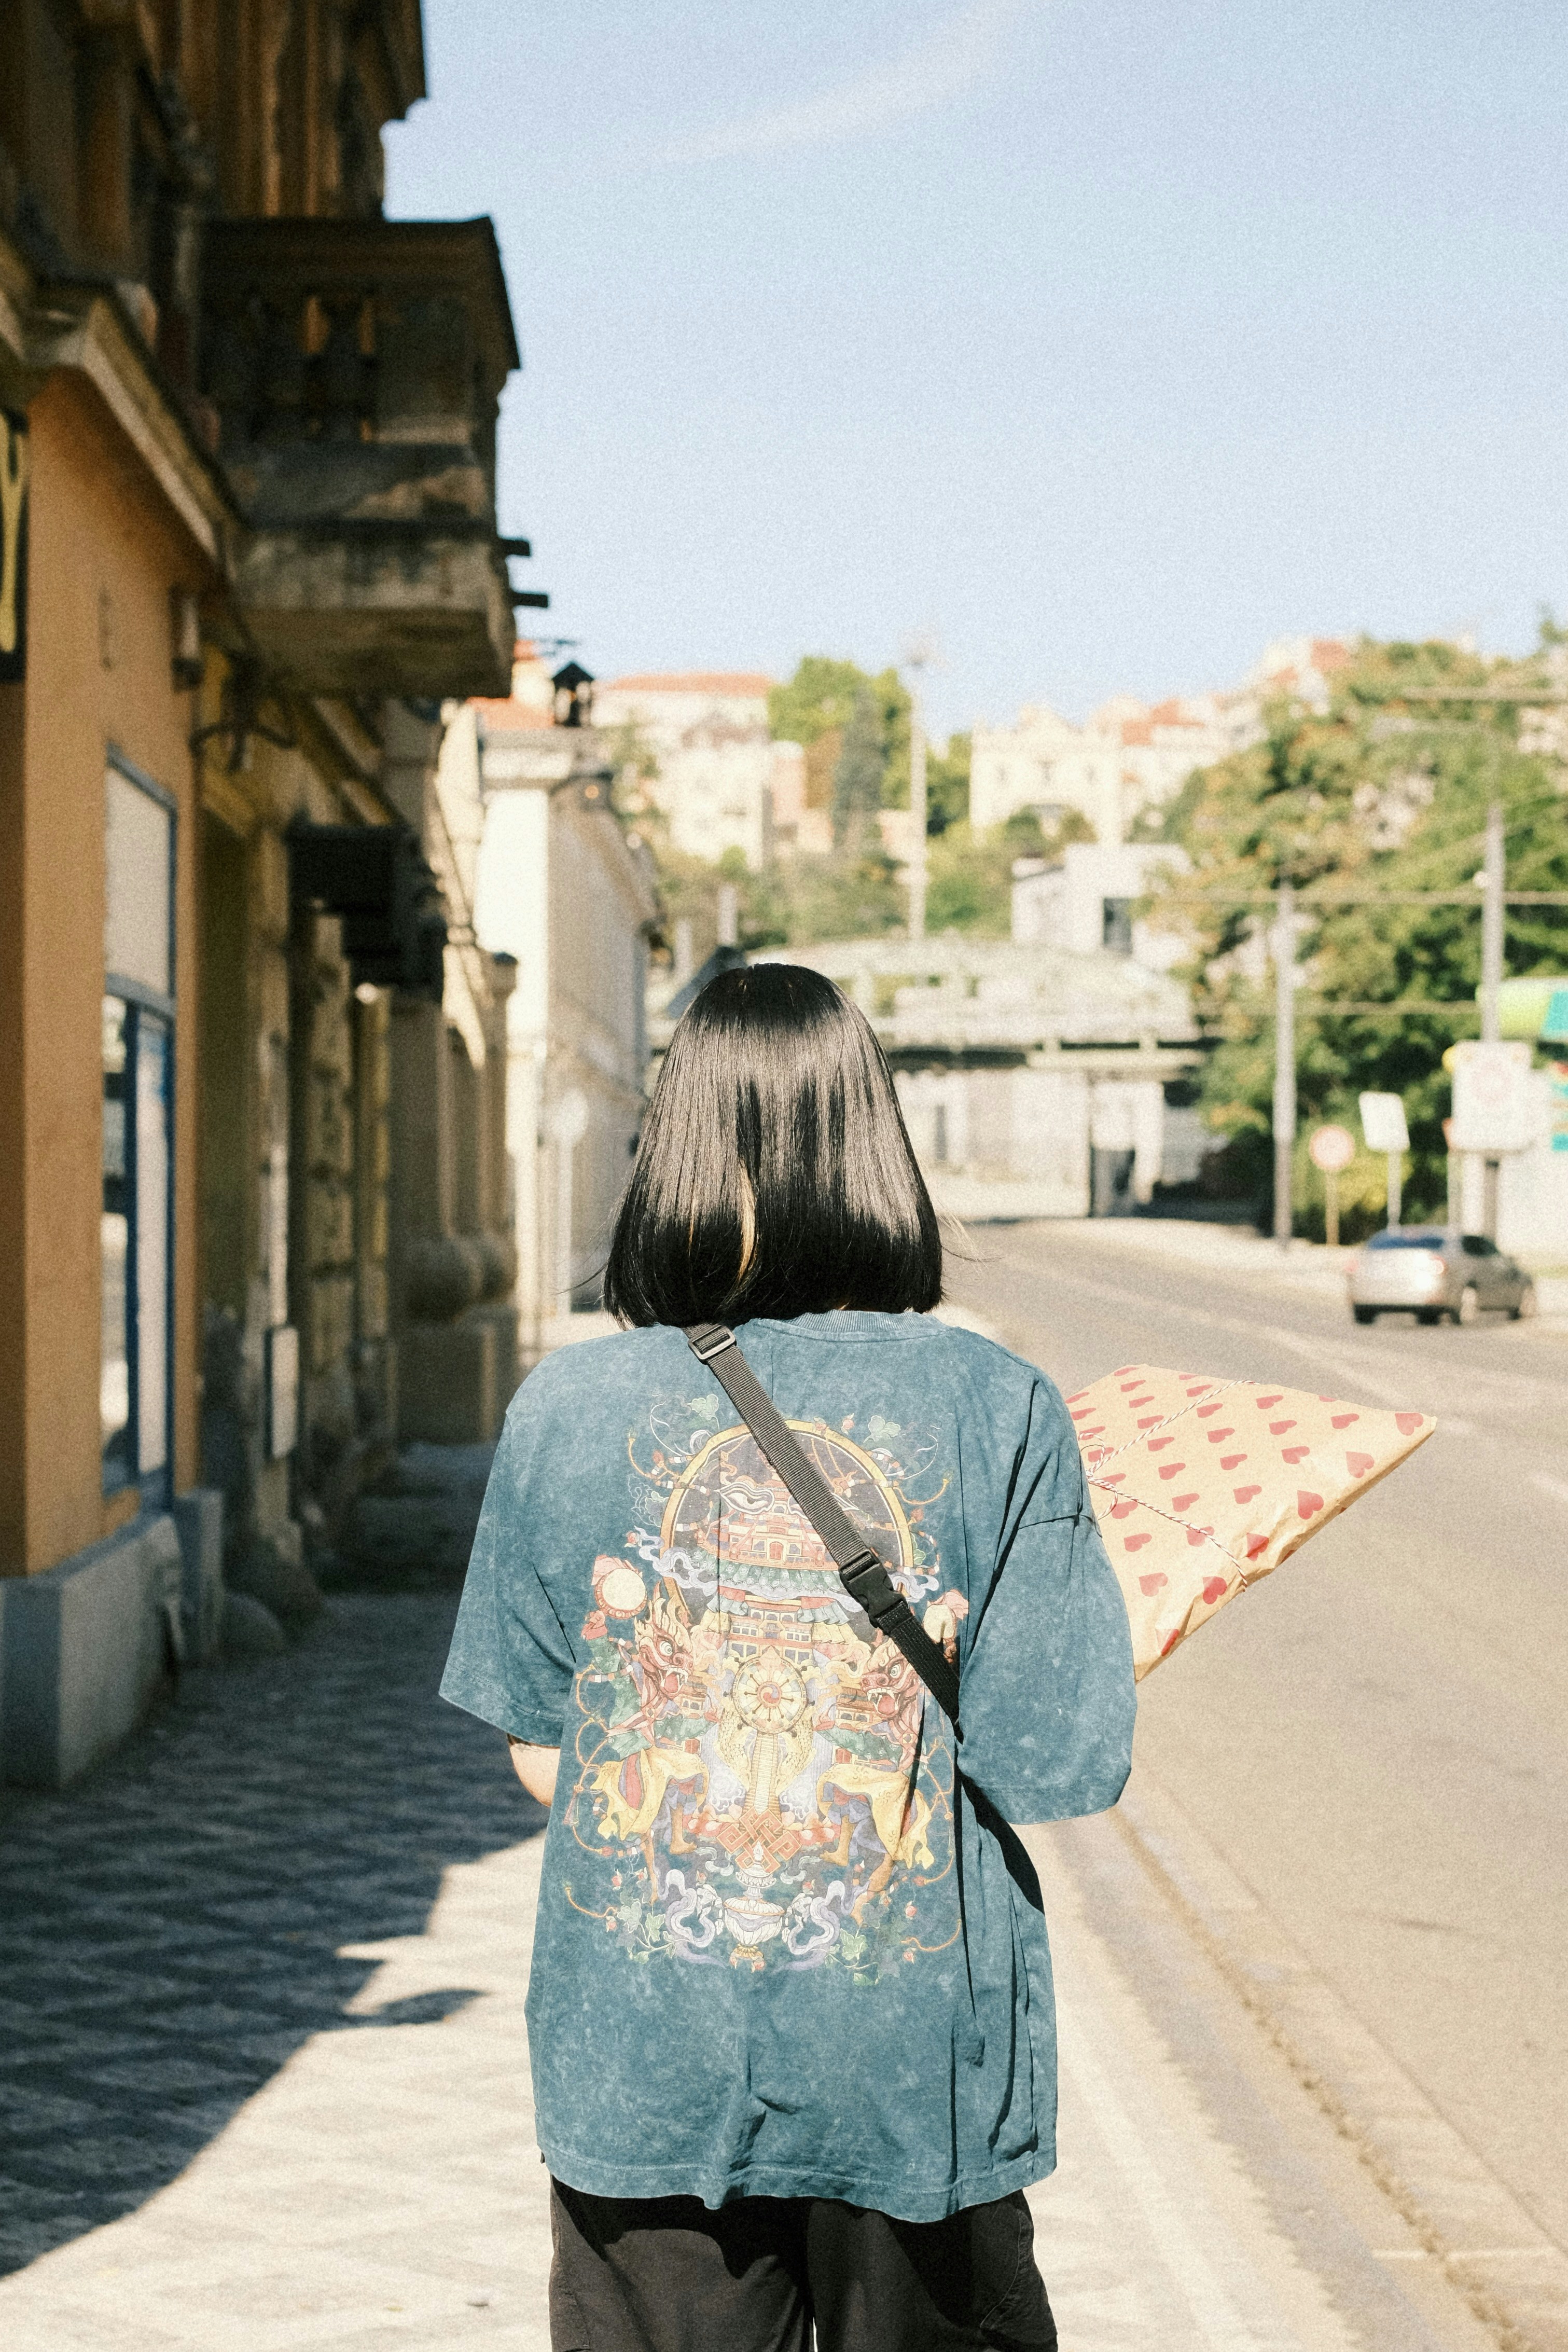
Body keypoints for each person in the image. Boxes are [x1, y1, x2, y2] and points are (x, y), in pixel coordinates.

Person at [441, 962, 1136, 2351]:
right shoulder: (998, 1404)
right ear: (877, 1144)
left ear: (674, 1147)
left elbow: (539, 1755)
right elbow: (1059, 1757)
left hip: (648, 2056)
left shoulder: (566, 1407)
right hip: (912, 2064)